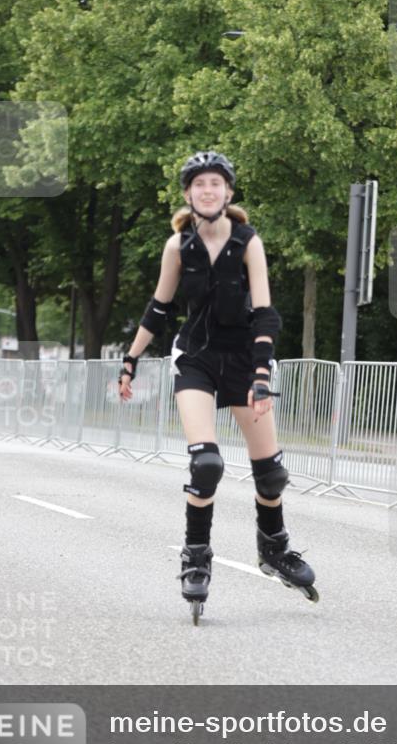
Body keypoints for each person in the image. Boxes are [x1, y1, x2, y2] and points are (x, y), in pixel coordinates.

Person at [118, 150, 317, 623]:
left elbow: (265, 313)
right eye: (199, 185)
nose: (208, 191)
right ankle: (196, 557)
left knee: (271, 475)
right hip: (197, 361)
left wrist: (263, 375)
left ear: (228, 193)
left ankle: (273, 547)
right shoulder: (177, 246)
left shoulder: (248, 242)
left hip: (245, 361)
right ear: (188, 194)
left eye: (216, 184)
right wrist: (130, 360)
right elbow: (159, 309)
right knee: (206, 463)